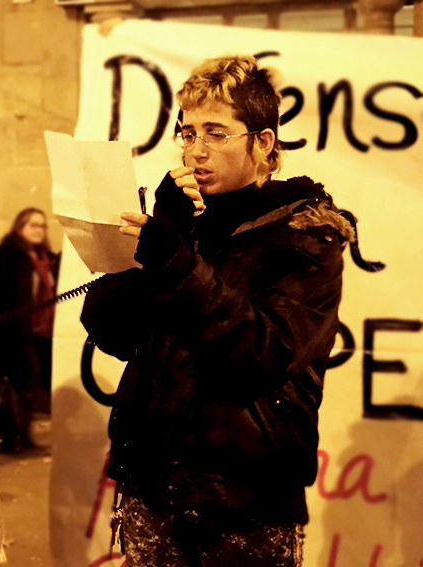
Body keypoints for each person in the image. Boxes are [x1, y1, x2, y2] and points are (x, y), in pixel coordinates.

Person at [81, 55, 353, 566]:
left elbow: (264, 352)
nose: (196, 151)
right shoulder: (186, 225)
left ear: (264, 142)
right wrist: (165, 234)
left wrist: (177, 266)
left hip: (244, 503)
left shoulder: (308, 234)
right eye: (186, 134)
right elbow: (111, 329)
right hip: (152, 492)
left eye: (216, 133)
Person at [0, 208, 58, 452]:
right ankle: (11, 436)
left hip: (40, 333)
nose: (39, 230)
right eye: (33, 225)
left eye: (42, 226)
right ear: (20, 226)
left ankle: (20, 433)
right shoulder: (6, 255)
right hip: (12, 333)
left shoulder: (47, 257)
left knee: (30, 383)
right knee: (17, 383)